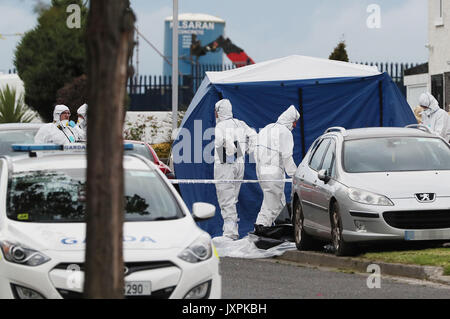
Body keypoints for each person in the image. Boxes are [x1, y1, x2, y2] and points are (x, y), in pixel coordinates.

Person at [214, 99, 257, 240]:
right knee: (233, 198)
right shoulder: (240, 123)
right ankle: (232, 230)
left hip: (225, 164)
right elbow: (254, 136)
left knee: (226, 198)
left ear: (219, 112)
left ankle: (230, 233)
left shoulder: (220, 126)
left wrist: (231, 151)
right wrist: (246, 150)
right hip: (240, 163)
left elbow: (222, 141)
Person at [254, 105, 300, 232]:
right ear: (290, 120)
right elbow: (287, 157)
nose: (295, 126)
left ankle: (282, 226)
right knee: (272, 200)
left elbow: (255, 150)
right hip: (273, 172)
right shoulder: (285, 132)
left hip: (261, 170)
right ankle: (262, 225)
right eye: (294, 122)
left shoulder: (266, 128)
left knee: (278, 199)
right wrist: (296, 175)